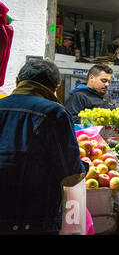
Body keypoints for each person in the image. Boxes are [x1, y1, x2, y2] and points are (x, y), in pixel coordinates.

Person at [0, 59, 88, 234]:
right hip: (34, 221)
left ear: (18, 82)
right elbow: (71, 177)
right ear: (55, 88)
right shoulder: (54, 113)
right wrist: (84, 165)